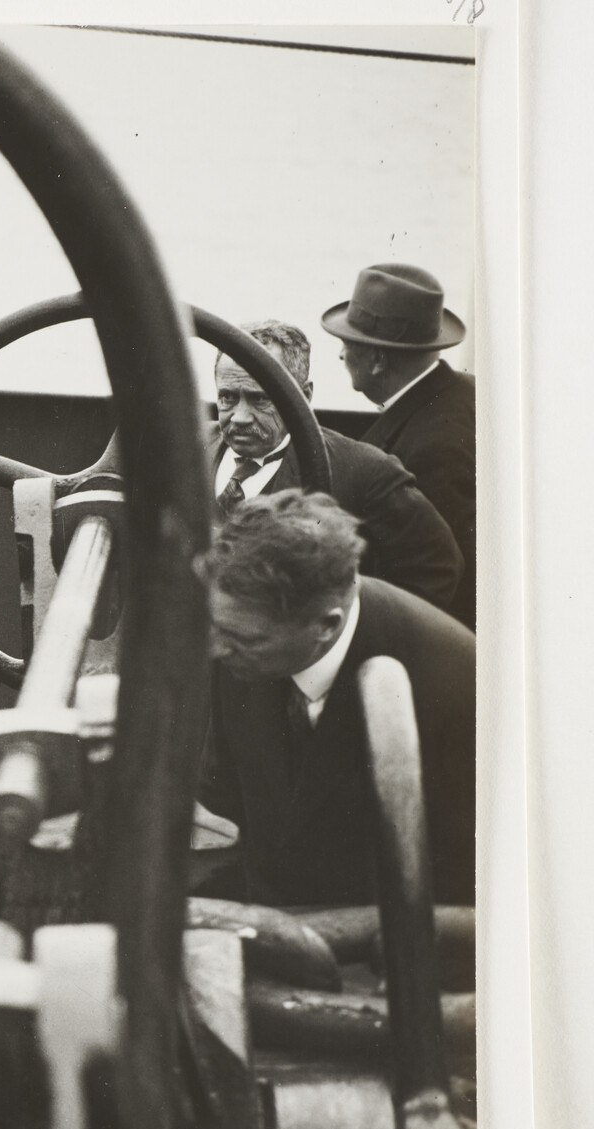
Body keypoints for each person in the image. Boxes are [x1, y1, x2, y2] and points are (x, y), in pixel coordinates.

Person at [199, 489, 474, 909]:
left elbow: (468, 882)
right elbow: (226, 783)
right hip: (275, 912)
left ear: (326, 626)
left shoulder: (459, 689)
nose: (215, 650)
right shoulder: (243, 632)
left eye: (242, 639)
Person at [213, 319, 462, 611]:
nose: (240, 417)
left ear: (302, 396)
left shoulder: (364, 471)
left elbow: (436, 568)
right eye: (228, 397)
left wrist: (347, 638)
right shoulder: (186, 446)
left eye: (260, 399)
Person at [322, 263, 477, 626]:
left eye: (347, 345)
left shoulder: (431, 451)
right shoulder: (467, 394)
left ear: (377, 361)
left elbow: (443, 581)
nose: (341, 356)